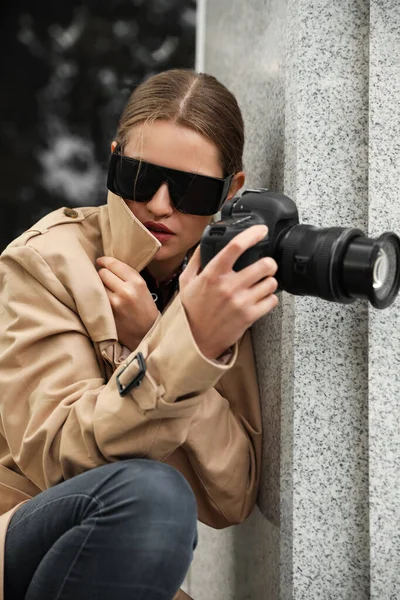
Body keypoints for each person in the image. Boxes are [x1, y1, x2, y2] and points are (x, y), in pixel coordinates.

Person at [0, 69, 278, 600]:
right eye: (140, 177)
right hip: (17, 535)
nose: (160, 205)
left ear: (231, 190)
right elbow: (58, 457)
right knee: (154, 499)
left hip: (114, 558)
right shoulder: (45, 262)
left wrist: (163, 334)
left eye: (192, 189)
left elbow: (233, 493)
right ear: (114, 158)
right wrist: (177, 347)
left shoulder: (216, 288)